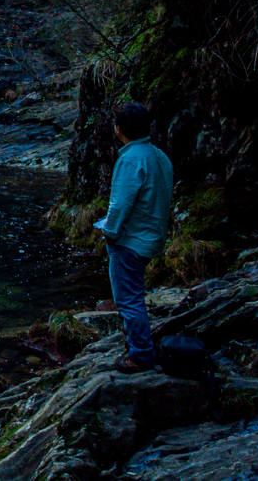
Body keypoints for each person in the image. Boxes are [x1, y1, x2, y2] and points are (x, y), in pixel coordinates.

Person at [95, 101, 174, 373]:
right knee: (134, 295)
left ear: (118, 129)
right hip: (151, 236)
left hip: (131, 241)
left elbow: (120, 204)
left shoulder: (130, 159)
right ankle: (139, 346)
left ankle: (141, 355)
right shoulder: (159, 156)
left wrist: (109, 232)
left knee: (129, 299)